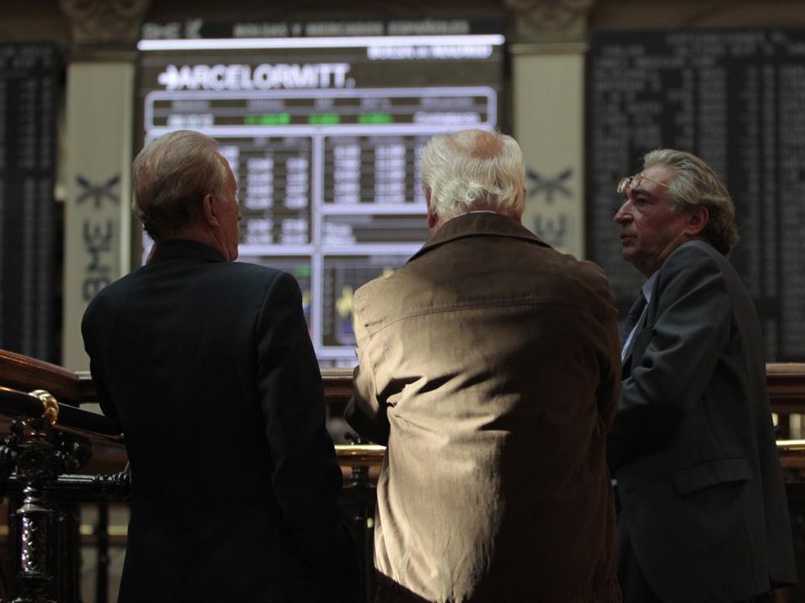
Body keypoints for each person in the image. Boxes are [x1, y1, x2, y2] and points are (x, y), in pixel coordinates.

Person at [346, 129, 621, 603]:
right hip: (564, 576)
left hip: (429, 582)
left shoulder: (382, 301)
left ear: (430, 204)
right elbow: (607, 406)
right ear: (520, 200)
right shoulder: (584, 289)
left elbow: (369, 418)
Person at [82, 130, 354, 602]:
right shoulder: (266, 296)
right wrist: (338, 562)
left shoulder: (106, 311)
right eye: (233, 196)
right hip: (256, 578)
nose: (239, 212)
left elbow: (115, 416)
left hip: (152, 578)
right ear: (210, 209)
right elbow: (299, 459)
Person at [606, 148, 796, 603]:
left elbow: (660, 391)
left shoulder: (695, 266)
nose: (621, 214)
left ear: (694, 220)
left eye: (641, 201)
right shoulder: (669, 282)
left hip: (694, 541)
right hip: (680, 538)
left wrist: (574, 429)